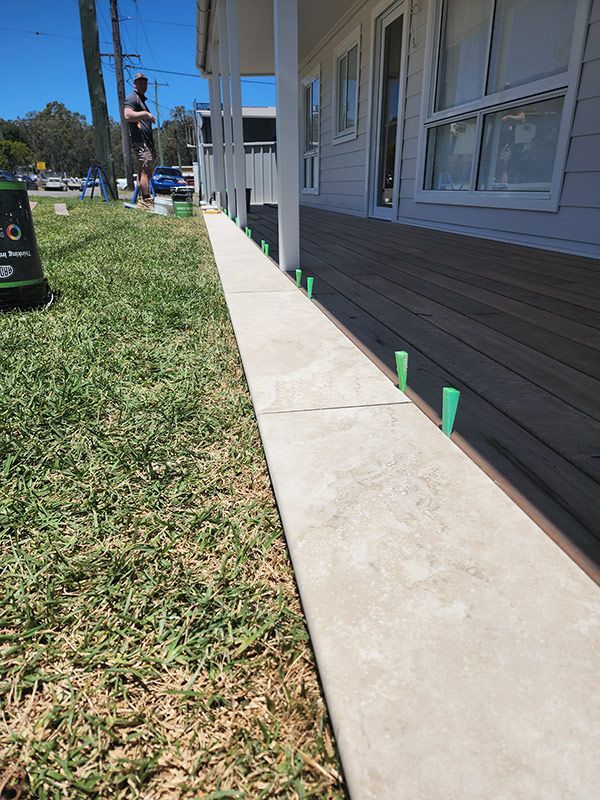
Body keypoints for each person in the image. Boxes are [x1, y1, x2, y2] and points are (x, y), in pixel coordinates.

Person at [123, 73, 156, 208]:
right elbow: (127, 115)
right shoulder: (132, 98)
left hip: (146, 141)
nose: (143, 85)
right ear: (134, 84)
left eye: (145, 83)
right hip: (140, 141)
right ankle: (146, 201)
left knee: (143, 170)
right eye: (140, 82)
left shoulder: (141, 100)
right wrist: (145, 114)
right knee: (145, 170)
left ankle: (142, 199)